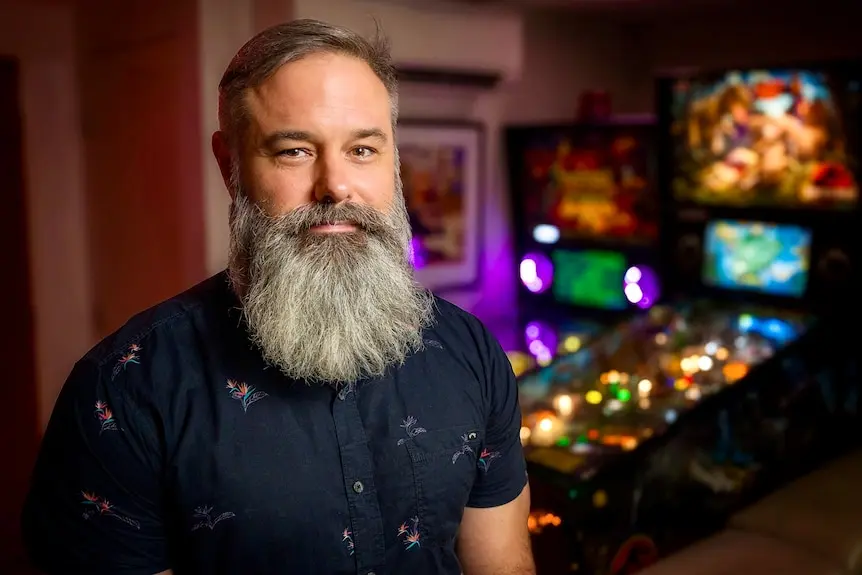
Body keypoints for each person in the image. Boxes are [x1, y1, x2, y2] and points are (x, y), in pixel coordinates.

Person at [21, 18, 535, 575]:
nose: (335, 185)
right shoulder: (124, 392)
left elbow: (503, 563)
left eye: (362, 149)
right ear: (230, 165)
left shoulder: (472, 354)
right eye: (294, 151)